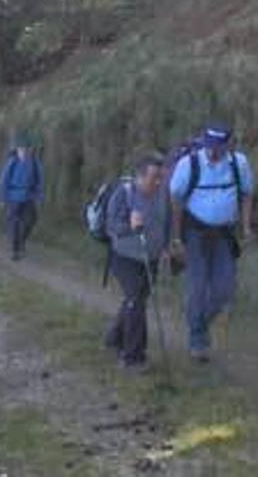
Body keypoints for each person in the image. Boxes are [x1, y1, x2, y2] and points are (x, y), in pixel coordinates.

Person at [169, 124, 254, 362]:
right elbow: (175, 200)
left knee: (224, 290)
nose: (213, 151)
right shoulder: (189, 164)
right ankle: (198, 338)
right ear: (204, 142)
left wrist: (246, 227)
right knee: (197, 287)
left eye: (219, 146)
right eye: (210, 146)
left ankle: (198, 324)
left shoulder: (239, 163)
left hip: (224, 234)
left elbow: (247, 193)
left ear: (228, 145)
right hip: (194, 232)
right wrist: (176, 238)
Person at [103, 155, 168, 373]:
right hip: (125, 258)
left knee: (136, 300)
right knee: (136, 302)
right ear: (140, 177)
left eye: (161, 177)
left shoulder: (161, 194)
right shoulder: (124, 193)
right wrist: (130, 226)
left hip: (151, 257)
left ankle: (114, 337)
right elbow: (111, 227)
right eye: (154, 177)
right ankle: (132, 357)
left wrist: (169, 245)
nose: (158, 182)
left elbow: (164, 222)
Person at [0, 134, 44, 261]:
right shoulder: (12, 162)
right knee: (14, 224)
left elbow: (40, 181)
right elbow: (3, 181)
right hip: (13, 197)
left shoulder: (35, 162)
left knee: (31, 220)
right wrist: (2, 198)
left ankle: (22, 240)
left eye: (26, 149)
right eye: (21, 149)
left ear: (30, 149)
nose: (23, 151)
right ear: (17, 150)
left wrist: (39, 197)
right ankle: (15, 250)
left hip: (29, 197)